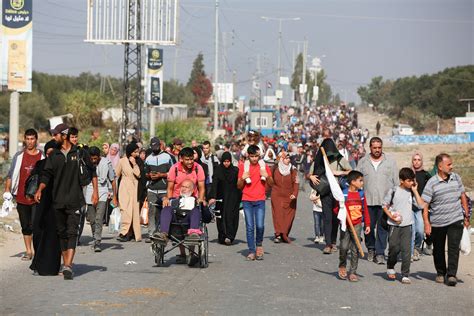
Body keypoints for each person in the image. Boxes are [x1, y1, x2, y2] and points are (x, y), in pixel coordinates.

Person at [34, 123, 99, 280]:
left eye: (56, 134)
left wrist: (95, 192)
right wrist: (40, 189)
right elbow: (46, 175)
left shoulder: (80, 153)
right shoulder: (54, 155)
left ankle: (68, 265)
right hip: (58, 201)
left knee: (72, 232)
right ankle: (66, 264)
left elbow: (92, 171)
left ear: (64, 135)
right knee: (62, 233)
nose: (54, 137)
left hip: (75, 200)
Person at [422, 153, 470, 286]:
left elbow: (462, 196)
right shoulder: (431, 183)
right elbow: (425, 204)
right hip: (438, 221)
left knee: (454, 247)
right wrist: (426, 223)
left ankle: (452, 274)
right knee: (438, 249)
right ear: (440, 166)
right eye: (449, 164)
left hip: (455, 218)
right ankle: (440, 272)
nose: (452, 167)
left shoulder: (456, 178)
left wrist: (466, 216)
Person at [153, 147, 206, 266]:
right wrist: (168, 199)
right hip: (177, 199)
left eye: (191, 159)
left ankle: (192, 251)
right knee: (167, 210)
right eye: (187, 159)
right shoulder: (174, 168)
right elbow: (170, 188)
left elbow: (202, 187)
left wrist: (201, 199)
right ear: (181, 159)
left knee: (195, 212)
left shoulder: (198, 168)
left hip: (192, 201)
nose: (190, 162)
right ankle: (164, 235)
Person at [356, 137, 398, 264]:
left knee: (382, 228)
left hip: (384, 203)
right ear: (370, 148)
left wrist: (394, 200)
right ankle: (371, 248)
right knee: (368, 227)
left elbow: (396, 182)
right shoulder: (363, 162)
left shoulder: (390, 162)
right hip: (367, 201)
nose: (377, 150)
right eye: (374, 148)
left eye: (379, 147)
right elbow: (357, 182)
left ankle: (380, 253)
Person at [5, 129, 43, 261]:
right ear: (25, 140)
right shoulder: (19, 156)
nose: (30, 141)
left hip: (37, 198)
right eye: (28, 139)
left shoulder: (42, 157)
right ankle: (28, 251)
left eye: (32, 139)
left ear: (36, 140)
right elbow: (10, 175)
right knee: (25, 226)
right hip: (21, 197)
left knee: (36, 225)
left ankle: (38, 251)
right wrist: (7, 191)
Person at [309, 138, 351, 254]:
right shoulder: (319, 160)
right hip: (324, 191)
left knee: (335, 218)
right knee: (327, 217)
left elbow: (350, 171)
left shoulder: (338, 158)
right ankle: (328, 244)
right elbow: (310, 173)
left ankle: (333, 241)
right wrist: (310, 177)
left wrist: (339, 173)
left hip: (337, 192)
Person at [383, 168, 425, 284]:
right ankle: (390, 267)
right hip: (394, 225)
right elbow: (384, 206)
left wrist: (415, 191)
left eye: (413, 180)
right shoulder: (393, 191)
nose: (411, 183)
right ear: (401, 180)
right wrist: (391, 217)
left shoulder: (411, 192)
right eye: (409, 180)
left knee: (406, 250)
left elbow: (421, 205)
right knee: (394, 248)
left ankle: (405, 274)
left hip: (408, 225)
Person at [29, 140, 61, 276]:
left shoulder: (61, 166)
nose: (50, 156)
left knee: (54, 236)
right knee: (38, 233)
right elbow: (33, 181)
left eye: (52, 154)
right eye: (48, 154)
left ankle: (53, 266)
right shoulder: (40, 165)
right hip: (42, 205)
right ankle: (38, 263)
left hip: (56, 205)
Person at [237, 145, 274, 261]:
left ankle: (259, 245)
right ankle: (252, 250)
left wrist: (267, 176)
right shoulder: (244, 167)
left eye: (256, 156)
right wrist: (242, 178)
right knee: (249, 227)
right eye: (252, 156)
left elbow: (272, 184)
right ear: (248, 156)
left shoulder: (264, 167)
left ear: (259, 156)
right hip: (247, 199)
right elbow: (239, 186)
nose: (254, 159)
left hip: (260, 199)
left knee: (260, 225)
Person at [337, 170, 370, 282]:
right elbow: (336, 208)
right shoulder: (344, 194)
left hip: (357, 224)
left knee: (355, 248)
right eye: (360, 181)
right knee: (344, 247)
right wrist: (341, 212)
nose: (362, 183)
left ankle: (352, 272)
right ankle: (342, 266)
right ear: (352, 182)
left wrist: (367, 224)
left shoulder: (361, 194)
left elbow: (365, 209)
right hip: (345, 225)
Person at [86, 146, 118, 252]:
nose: (94, 161)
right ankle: (95, 235)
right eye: (92, 159)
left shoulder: (106, 163)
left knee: (99, 218)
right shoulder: (86, 163)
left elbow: (113, 180)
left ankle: (97, 241)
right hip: (89, 191)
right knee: (92, 219)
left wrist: (115, 197)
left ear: (99, 156)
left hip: (103, 192)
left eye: (96, 158)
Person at [144, 137, 174, 243]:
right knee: (152, 211)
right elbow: (145, 173)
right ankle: (151, 234)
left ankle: (165, 233)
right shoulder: (148, 158)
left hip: (164, 189)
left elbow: (173, 173)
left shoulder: (168, 157)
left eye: (156, 146)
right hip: (152, 189)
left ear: (160, 145)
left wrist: (161, 175)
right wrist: (149, 175)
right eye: (153, 146)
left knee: (165, 211)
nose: (154, 148)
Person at [209, 152, 242, 245]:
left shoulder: (235, 170)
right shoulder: (218, 170)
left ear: (231, 161)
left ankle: (230, 236)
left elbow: (239, 185)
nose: (226, 163)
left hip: (233, 198)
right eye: (224, 161)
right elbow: (215, 184)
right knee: (221, 217)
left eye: (228, 161)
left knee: (232, 216)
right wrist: (213, 197)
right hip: (221, 198)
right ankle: (223, 235)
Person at [115, 142, 142, 242]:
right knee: (125, 210)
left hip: (135, 188)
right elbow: (116, 174)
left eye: (137, 152)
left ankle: (133, 233)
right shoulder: (122, 161)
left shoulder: (139, 161)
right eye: (135, 152)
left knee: (134, 211)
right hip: (124, 187)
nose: (137, 154)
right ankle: (124, 232)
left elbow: (139, 174)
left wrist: (134, 164)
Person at [270, 152, 298, 244]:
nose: (288, 160)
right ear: (281, 159)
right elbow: (269, 181)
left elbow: (296, 183)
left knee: (289, 215)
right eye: (286, 158)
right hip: (276, 195)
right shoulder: (274, 168)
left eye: (289, 158)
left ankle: (284, 233)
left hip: (289, 196)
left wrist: (295, 193)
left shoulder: (293, 170)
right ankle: (278, 234)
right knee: (277, 214)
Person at [411, 151, 432, 260]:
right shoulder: (409, 174)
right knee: (412, 230)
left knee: (420, 230)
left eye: (419, 160)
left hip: (421, 207)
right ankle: (413, 250)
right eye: (415, 159)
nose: (417, 162)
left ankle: (418, 247)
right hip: (409, 206)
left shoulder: (426, 175)